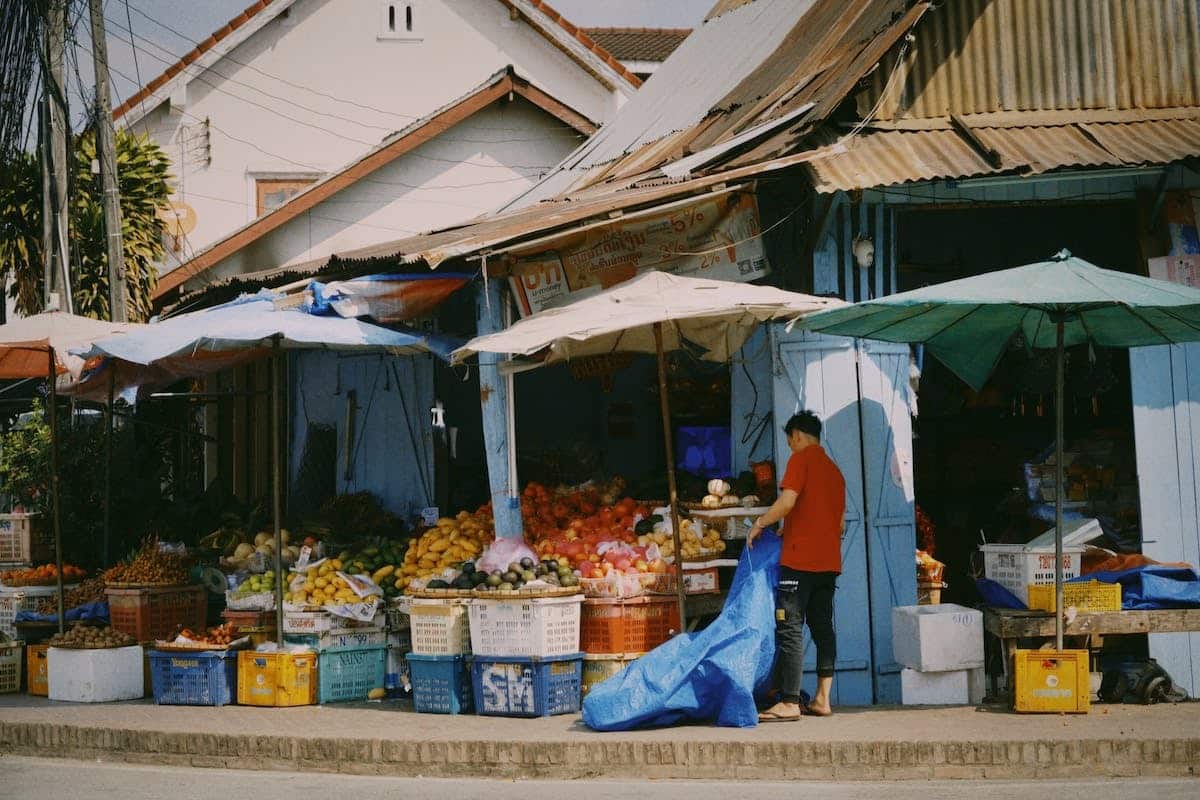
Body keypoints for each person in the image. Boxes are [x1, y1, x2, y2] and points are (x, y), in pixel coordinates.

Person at [747, 410, 846, 722]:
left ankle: (789, 701)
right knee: (822, 627)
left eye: (790, 440)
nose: (790, 446)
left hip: (799, 560)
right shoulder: (835, 472)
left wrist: (761, 522)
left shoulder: (801, 460)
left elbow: (787, 502)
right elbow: (838, 524)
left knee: (789, 626)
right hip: (828, 563)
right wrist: (792, 526)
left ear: (798, 435)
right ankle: (822, 699)